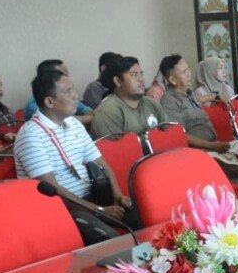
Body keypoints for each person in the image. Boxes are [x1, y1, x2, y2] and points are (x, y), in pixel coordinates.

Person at [13, 69, 128, 244]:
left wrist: (118, 195)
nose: (76, 96)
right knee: (109, 238)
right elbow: (53, 190)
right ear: (50, 101)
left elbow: (102, 164)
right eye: (68, 92)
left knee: (140, 214)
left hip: (93, 198)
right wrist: (99, 211)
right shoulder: (31, 135)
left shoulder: (73, 123)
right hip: (61, 210)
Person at [157, 55, 238, 178]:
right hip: (198, 152)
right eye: (184, 72)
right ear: (172, 79)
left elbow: (204, 99)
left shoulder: (189, 94)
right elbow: (179, 136)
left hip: (214, 146)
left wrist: (217, 97)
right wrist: (212, 146)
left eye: (188, 69)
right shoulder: (169, 101)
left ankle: (233, 160)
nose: (189, 74)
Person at [90, 56, 165, 138]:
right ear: (118, 81)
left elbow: (167, 134)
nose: (141, 79)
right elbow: (114, 146)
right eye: (134, 75)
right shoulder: (107, 112)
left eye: (141, 74)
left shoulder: (152, 104)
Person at [22, 60, 93, 127]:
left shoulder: (68, 96)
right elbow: (61, 121)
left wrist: (90, 116)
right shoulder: (33, 106)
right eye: (60, 75)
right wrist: (88, 118)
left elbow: (89, 112)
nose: (66, 79)